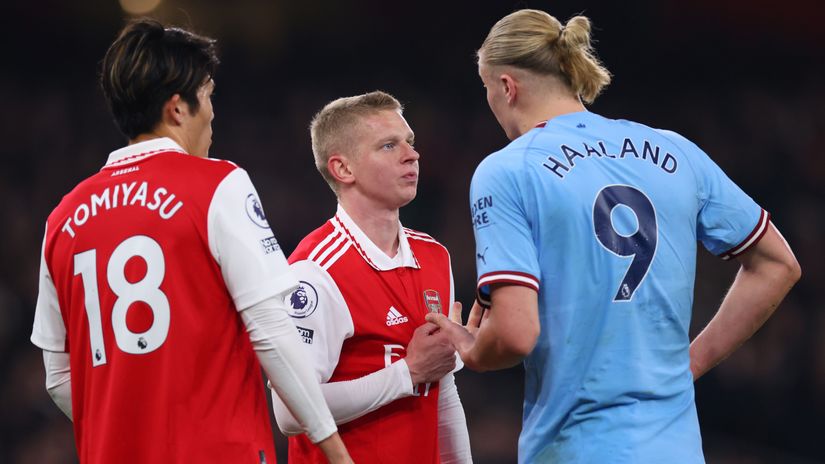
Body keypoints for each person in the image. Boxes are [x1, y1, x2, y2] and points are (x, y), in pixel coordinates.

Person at [426, 9, 801, 464]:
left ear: (507, 86)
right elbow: (778, 265)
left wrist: (473, 349)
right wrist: (690, 364)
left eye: (486, 89)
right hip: (677, 449)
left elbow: (515, 335)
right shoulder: (674, 149)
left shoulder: (508, 169)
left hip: (577, 449)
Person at [29, 18, 351, 463]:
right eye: (209, 96)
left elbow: (58, 376)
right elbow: (273, 331)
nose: (213, 113)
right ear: (178, 108)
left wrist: (127, 428)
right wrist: (334, 448)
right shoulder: (219, 185)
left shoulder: (62, 220)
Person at [270, 91, 472, 463]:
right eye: (388, 145)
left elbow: (442, 390)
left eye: (409, 142)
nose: (412, 155)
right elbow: (290, 412)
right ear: (343, 169)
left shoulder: (434, 256)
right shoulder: (315, 269)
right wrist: (407, 372)